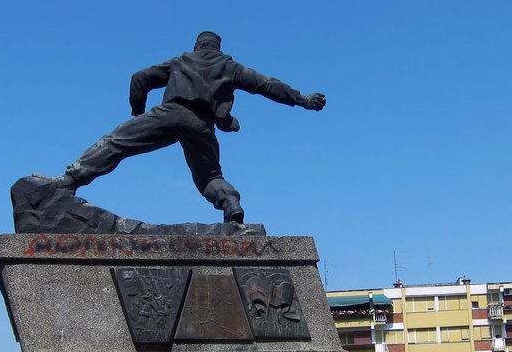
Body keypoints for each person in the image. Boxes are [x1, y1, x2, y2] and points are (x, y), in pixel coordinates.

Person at [44, 31, 326, 223]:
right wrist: (301, 99)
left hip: (170, 113)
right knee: (209, 177)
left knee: (116, 143)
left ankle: (70, 180)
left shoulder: (181, 61)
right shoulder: (231, 67)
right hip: (202, 125)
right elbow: (266, 85)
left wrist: (138, 113)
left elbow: (139, 78)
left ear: (197, 47)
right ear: (218, 48)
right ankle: (231, 204)